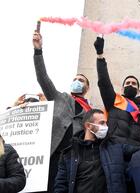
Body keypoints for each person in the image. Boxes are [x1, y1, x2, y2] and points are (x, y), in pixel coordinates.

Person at [33, 30, 92, 192]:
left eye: (81, 80)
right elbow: (42, 77)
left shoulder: (91, 112)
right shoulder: (60, 97)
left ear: (87, 87)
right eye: (75, 79)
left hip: (73, 161)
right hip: (51, 156)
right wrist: (38, 50)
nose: (77, 82)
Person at [54, 109, 137, 193]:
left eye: (106, 123)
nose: (106, 127)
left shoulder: (114, 146)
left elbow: (139, 151)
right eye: (101, 123)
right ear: (88, 126)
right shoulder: (69, 153)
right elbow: (61, 184)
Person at [94, 37, 140, 146]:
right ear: (122, 89)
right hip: (114, 149)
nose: (130, 85)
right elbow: (104, 83)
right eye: (127, 83)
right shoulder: (113, 100)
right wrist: (100, 56)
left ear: (138, 90)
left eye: (133, 83)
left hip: (137, 152)